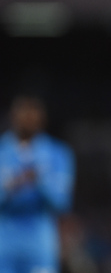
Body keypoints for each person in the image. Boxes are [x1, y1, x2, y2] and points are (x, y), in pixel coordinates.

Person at [0, 96, 76, 273]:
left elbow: (62, 203)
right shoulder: (2, 152)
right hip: (4, 245)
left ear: (42, 119)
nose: (28, 120)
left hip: (40, 244)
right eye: (23, 114)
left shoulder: (58, 153)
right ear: (13, 117)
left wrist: (39, 181)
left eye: (33, 115)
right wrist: (11, 186)